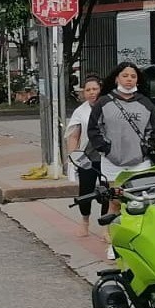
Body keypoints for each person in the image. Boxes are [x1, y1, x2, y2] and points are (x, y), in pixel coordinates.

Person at [87, 61, 155, 217]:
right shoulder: (103, 102)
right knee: (114, 200)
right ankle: (110, 232)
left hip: (140, 162)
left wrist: (144, 150)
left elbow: (154, 132)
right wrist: (106, 150)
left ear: (138, 80)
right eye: (125, 75)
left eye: (133, 76)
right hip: (112, 162)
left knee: (140, 200)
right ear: (117, 79)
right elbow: (94, 130)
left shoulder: (145, 103)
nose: (129, 79)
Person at [65, 75, 103, 225]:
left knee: (107, 192)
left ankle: (105, 227)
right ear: (83, 92)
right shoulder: (80, 111)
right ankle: (85, 220)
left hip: (107, 157)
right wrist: (73, 158)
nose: (92, 92)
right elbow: (73, 137)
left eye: (95, 89)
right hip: (87, 157)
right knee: (86, 191)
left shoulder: (109, 106)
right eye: (88, 90)